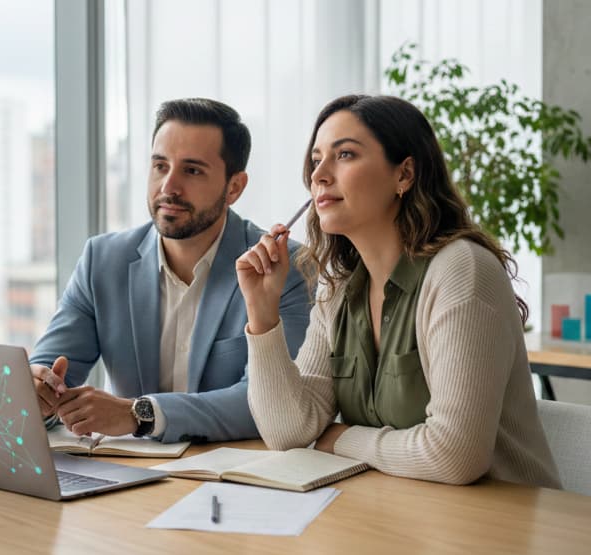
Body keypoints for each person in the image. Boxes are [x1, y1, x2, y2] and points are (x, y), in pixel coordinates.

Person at [236, 94, 560, 487]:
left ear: (404, 175)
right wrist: (262, 313)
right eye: (316, 160)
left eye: (346, 155)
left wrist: (341, 438)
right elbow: (289, 433)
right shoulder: (338, 290)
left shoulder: (461, 270)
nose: (319, 175)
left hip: (502, 528)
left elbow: (455, 456)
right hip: (402, 514)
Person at [30, 98, 310, 444]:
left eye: (191, 171)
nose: (168, 187)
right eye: (160, 166)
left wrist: (138, 414)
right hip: (123, 476)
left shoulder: (284, 269)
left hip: (235, 482)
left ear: (234, 187)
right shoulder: (102, 260)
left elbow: (268, 404)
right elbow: (52, 371)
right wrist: (38, 390)